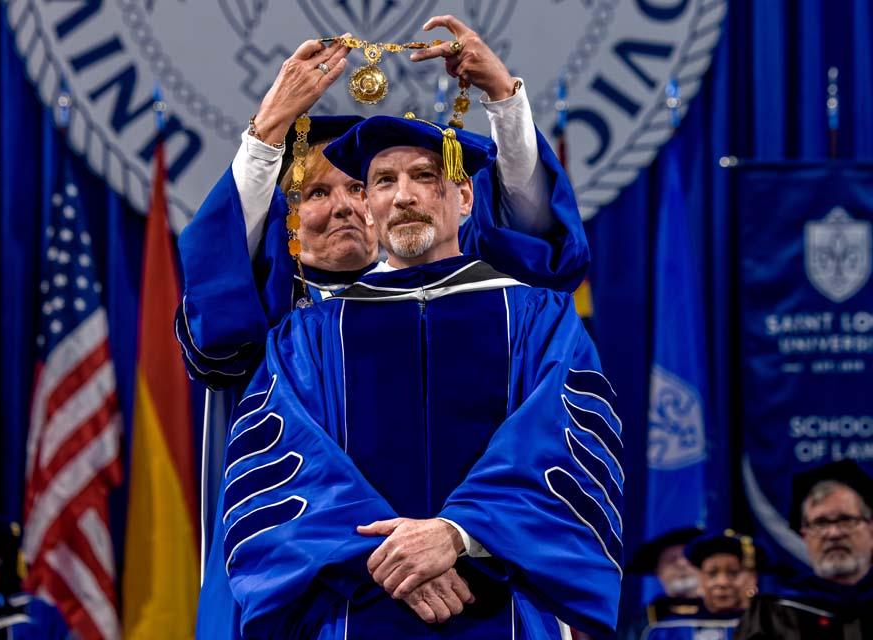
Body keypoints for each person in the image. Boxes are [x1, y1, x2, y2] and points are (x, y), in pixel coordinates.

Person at [208, 111, 622, 638]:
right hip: (357, 602)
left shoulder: (537, 317)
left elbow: (564, 442)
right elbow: (279, 466)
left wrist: (458, 533)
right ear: (368, 206)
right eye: (384, 182)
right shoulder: (308, 335)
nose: (403, 196)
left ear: (465, 198)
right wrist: (392, 554)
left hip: (503, 606)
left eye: (424, 176)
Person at [175, 15, 589, 390]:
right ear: (285, 218)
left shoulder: (458, 282)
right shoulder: (282, 322)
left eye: (359, 188)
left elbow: (530, 245)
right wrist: (267, 129)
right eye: (318, 192)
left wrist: (504, 98)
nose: (345, 206)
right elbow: (220, 293)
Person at [735, 459, 873, 639]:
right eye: (820, 523)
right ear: (804, 535)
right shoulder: (773, 612)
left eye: (845, 519)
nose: (833, 533)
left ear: (870, 527)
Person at [641, 530, 758, 640]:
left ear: (752, 578)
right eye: (712, 573)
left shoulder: (762, 622)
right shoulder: (660, 627)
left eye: (733, 573)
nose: (722, 582)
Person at [628, 527, 705, 626]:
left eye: (688, 558)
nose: (681, 564)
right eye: (671, 560)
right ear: (657, 570)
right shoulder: (642, 620)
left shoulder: (719, 611)